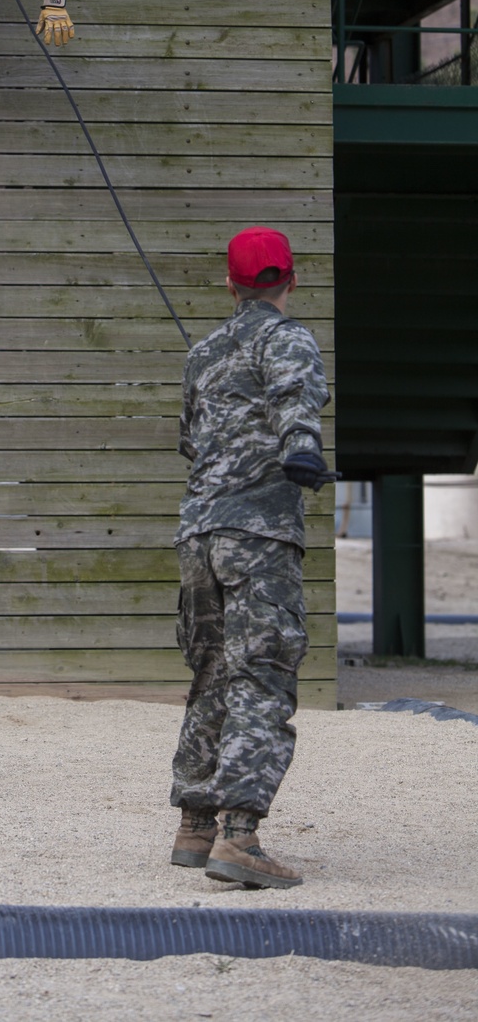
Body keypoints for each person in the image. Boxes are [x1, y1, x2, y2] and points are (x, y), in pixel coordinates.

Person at [169, 226, 331, 889]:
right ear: (292, 279)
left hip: (199, 536)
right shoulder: (288, 337)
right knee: (261, 675)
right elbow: (298, 398)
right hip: (259, 536)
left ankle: (195, 825)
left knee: (211, 672)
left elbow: (190, 442)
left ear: (229, 283)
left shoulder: (203, 353)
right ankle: (240, 838)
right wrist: (301, 449)